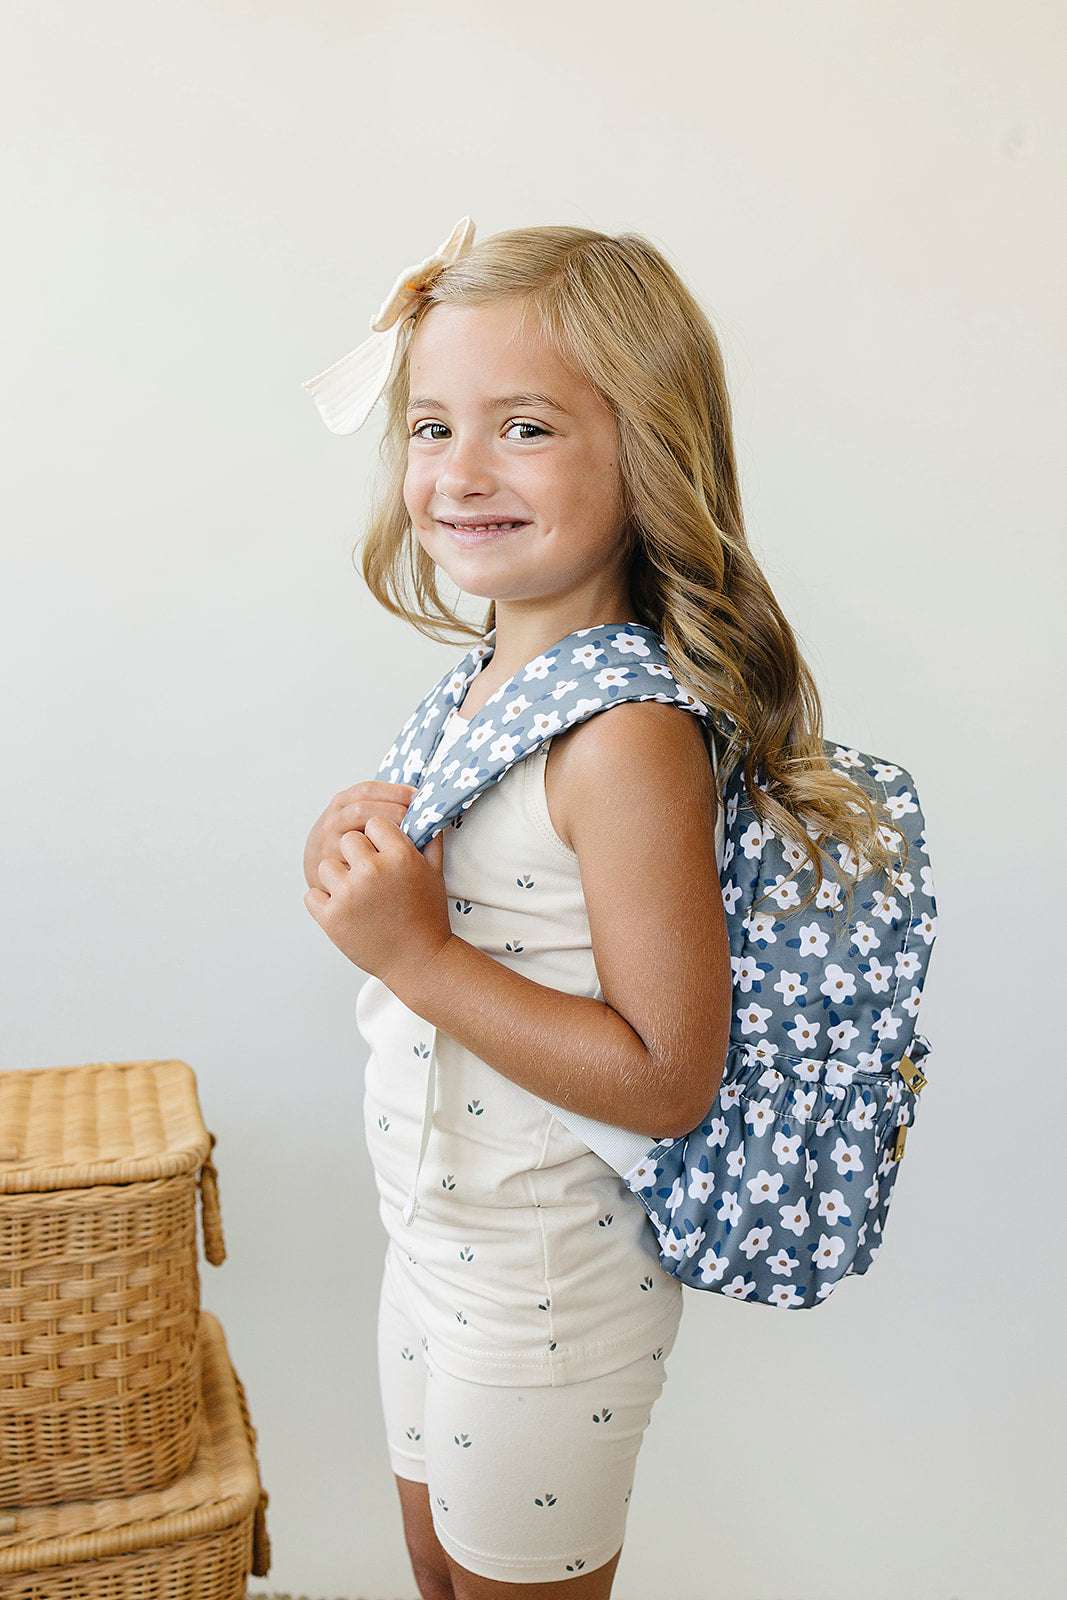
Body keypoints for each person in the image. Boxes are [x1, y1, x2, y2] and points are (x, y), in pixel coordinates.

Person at [301, 222, 898, 1600]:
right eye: (433, 423)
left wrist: (417, 950)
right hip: (434, 1256)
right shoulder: (477, 685)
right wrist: (364, 871)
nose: (459, 472)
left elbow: (668, 1076)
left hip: (548, 1298)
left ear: (649, 455)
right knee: (439, 1579)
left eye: (524, 428)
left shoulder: (627, 735)